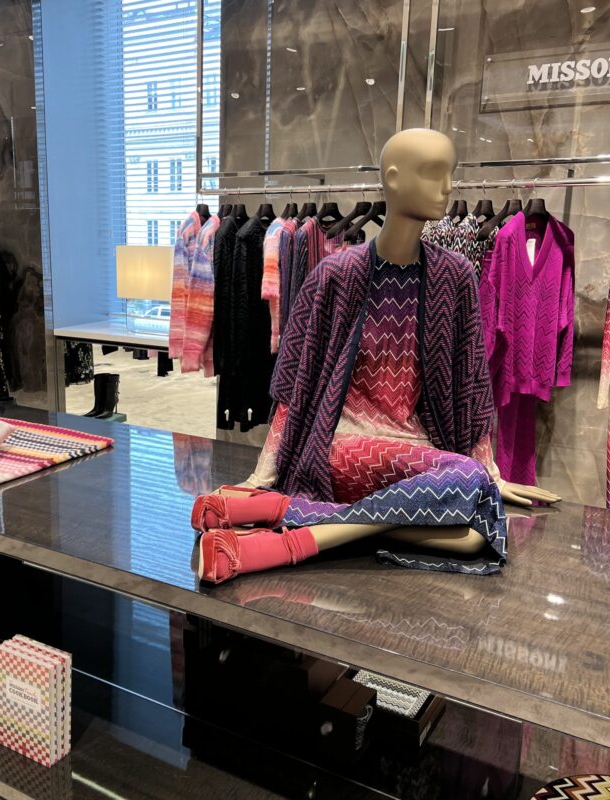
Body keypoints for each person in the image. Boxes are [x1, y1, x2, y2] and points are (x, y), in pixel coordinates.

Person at [192, 129, 559, 585]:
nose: (448, 187)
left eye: (450, 174)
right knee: (468, 493)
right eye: (433, 173)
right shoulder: (335, 275)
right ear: (393, 178)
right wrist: (262, 474)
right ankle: (285, 537)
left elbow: (471, 386)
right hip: (342, 446)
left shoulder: (456, 276)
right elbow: (294, 385)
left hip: (419, 454)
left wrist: (491, 474)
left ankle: (286, 518)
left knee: (476, 531)